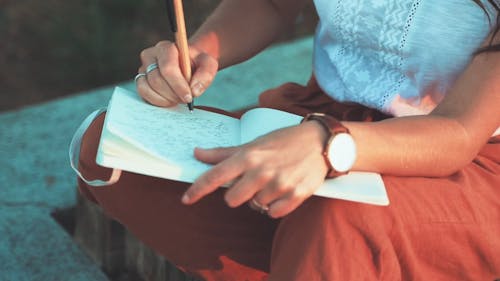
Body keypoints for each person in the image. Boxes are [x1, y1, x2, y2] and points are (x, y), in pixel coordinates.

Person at [76, 0, 500, 280]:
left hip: (462, 162)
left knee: (338, 219)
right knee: (111, 151)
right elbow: (272, 3)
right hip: (320, 117)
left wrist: (326, 145)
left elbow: (460, 130)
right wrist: (197, 54)